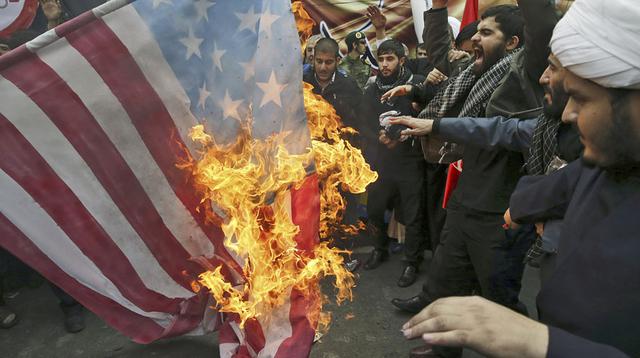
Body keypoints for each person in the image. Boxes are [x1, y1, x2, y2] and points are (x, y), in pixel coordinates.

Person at [402, 1, 640, 356]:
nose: (569, 115)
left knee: (498, 294)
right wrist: (524, 206)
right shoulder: (605, 160)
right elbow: (558, 182)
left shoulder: (520, 75)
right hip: (473, 203)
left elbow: (505, 127)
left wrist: (539, 342)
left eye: (579, 97)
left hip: (492, 214)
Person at [387, 1, 557, 356]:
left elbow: (540, 29)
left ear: (512, 43)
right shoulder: (472, 72)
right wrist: (436, 8)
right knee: (447, 284)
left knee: (500, 299)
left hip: (500, 211)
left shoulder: (523, 73)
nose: (474, 38)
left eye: (486, 32)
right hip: (466, 201)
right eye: (476, 30)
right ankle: (443, 350)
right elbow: (439, 52)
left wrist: (436, 125)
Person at [360, 39, 427, 288]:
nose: (385, 64)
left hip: (410, 159)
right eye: (382, 59)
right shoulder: (372, 89)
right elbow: (363, 121)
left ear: (402, 60)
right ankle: (380, 248)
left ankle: (412, 262)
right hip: (382, 162)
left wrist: (399, 138)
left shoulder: (415, 85)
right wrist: (377, 137)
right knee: (375, 209)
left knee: (412, 214)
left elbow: (424, 115)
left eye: (390, 59)